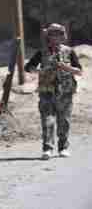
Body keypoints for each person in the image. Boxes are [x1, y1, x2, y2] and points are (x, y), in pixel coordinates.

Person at [24, 23, 82, 160]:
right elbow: (28, 67)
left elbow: (79, 71)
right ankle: (47, 148)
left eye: (58, 34)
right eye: (52, 34)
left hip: (65, 91)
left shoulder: (69, 51)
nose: (55, 37)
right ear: (48, 37)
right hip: (46, 90)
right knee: (47, 120)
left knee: (64, 121)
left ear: (63, 36)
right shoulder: (42, 52)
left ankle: (63, 147)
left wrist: (65, 67)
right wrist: (40, 71)